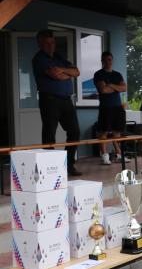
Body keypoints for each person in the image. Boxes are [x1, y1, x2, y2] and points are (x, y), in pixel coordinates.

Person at [32, 30, 82, 176]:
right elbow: (56, 75)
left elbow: (77, 72)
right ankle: (49, 169)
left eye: (52, 42)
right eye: (47, 43)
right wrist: (67, 73)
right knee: (49, 134)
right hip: (50, 100)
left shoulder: (59, 57)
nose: (51, 46)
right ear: (40, 44)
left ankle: (69, 165)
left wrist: (62, 70)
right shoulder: (39, 59)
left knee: (74, 132)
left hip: (66, 100)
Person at [93, 52, 127, 165]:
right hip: (105, 107)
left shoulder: (117, 74)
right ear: (102, 61)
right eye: (105, 60)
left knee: (117, 132)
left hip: (118, 107)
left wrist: (111, 85)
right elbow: (103, 90)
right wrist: (117, 87)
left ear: (112, 60)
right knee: (103, 132)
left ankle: (118, 154)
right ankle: (104, 155)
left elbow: (124, 88)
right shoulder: (99, 74)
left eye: (109, 59)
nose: (107, 62)